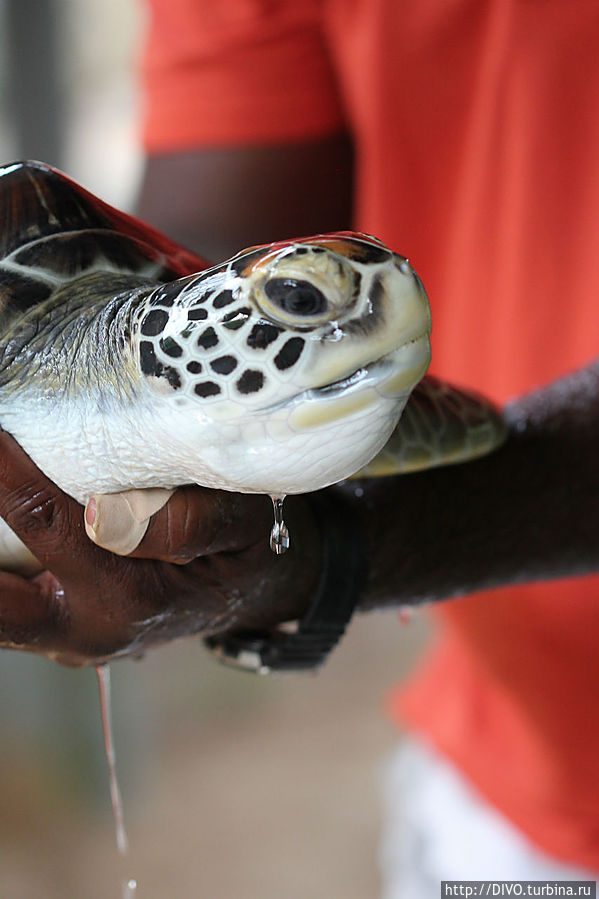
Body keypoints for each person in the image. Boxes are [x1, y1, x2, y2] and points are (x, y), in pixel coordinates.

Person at [0, 0, 599, 893]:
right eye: (302, 301)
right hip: (521, 788)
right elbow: (213, 221)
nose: (388, 305)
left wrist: (329, 557)